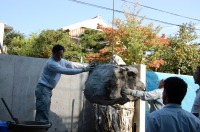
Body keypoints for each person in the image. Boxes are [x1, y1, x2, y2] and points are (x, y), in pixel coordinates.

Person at [35, 44, 94, 122]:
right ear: (54, 53)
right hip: (43, 89)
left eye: (61, 55)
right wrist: (83, 70)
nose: (60, 57)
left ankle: (41, 127)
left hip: (47, 90)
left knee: (44, 111)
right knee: (42, 113)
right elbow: (66, 71)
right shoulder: (51, 63)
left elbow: (72, 65)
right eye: (58, 55)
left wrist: (86, 65)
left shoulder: (61, 61)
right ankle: (40, 128)